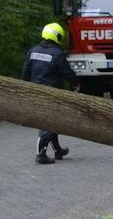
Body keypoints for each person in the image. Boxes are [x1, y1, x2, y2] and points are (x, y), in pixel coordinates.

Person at [20, 22, 76, 165]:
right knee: (49, 123)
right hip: (52, 94)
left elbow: (25, 72)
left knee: (51, 121)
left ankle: (58, 150)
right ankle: (41, 153)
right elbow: (67, 73)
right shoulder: (57, 54)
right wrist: (77, 83)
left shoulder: (32, 51)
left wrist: (24, 89)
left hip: (35, 92)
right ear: (58, 36)